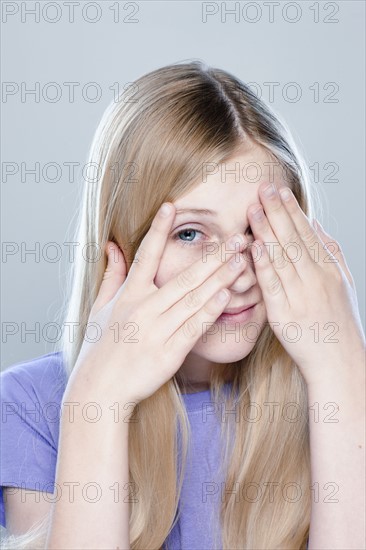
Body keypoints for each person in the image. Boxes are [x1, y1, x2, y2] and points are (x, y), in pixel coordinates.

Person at [0, 60, 365, 550]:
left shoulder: (340, 390)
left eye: (259, 229)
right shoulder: (29, 407)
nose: (237, 275)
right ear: (121, 244)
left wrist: (342, 369)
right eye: (190, 233)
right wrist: (96, 403)